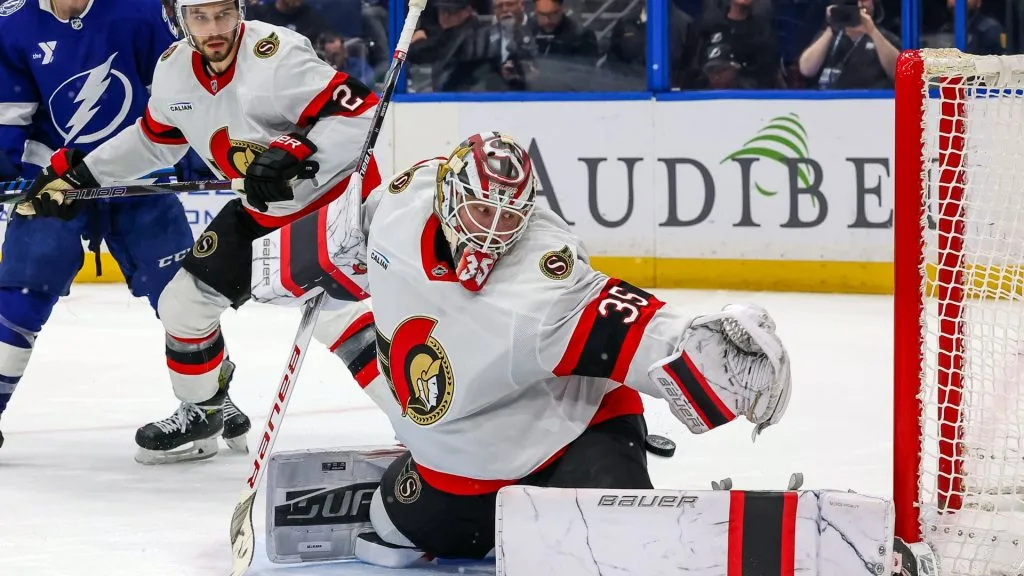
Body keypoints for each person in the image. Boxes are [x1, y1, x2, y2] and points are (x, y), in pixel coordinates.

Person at [251, 132, 793, 564]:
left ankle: (600, 500)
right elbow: (348, 230)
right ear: (448, 197)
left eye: (508, 217)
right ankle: (421, 482)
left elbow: (633, 325)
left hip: (570, 436)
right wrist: (294, 252)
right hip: (463, 458)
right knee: (396, 526)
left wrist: (708, 350)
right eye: (481, 212)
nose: (493, 234)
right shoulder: (405, 199)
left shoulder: (544, 282)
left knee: (620, 541)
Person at [15, 0, 381, 464]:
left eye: (223, 14)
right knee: (183, 307)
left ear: (239, 11)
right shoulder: (174, 71)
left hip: (327, 210)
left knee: (342, 323)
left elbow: (365, 112)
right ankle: (203, 411)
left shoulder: (276, 54)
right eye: (200, 18)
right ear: (179, 20)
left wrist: (297, 148)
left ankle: (424, 433)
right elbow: (153, 141)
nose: (214, 29)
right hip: (259, 212)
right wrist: (82, 177)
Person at [0, 0, 224, 451]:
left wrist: (198, 154)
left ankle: (210, 401)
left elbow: (176, 91)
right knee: (22, 293)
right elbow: (10, 107)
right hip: (54, 180)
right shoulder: (12, 21)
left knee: (180, 296)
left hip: (139, 169)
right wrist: (5, 170)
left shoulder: (137, 11)